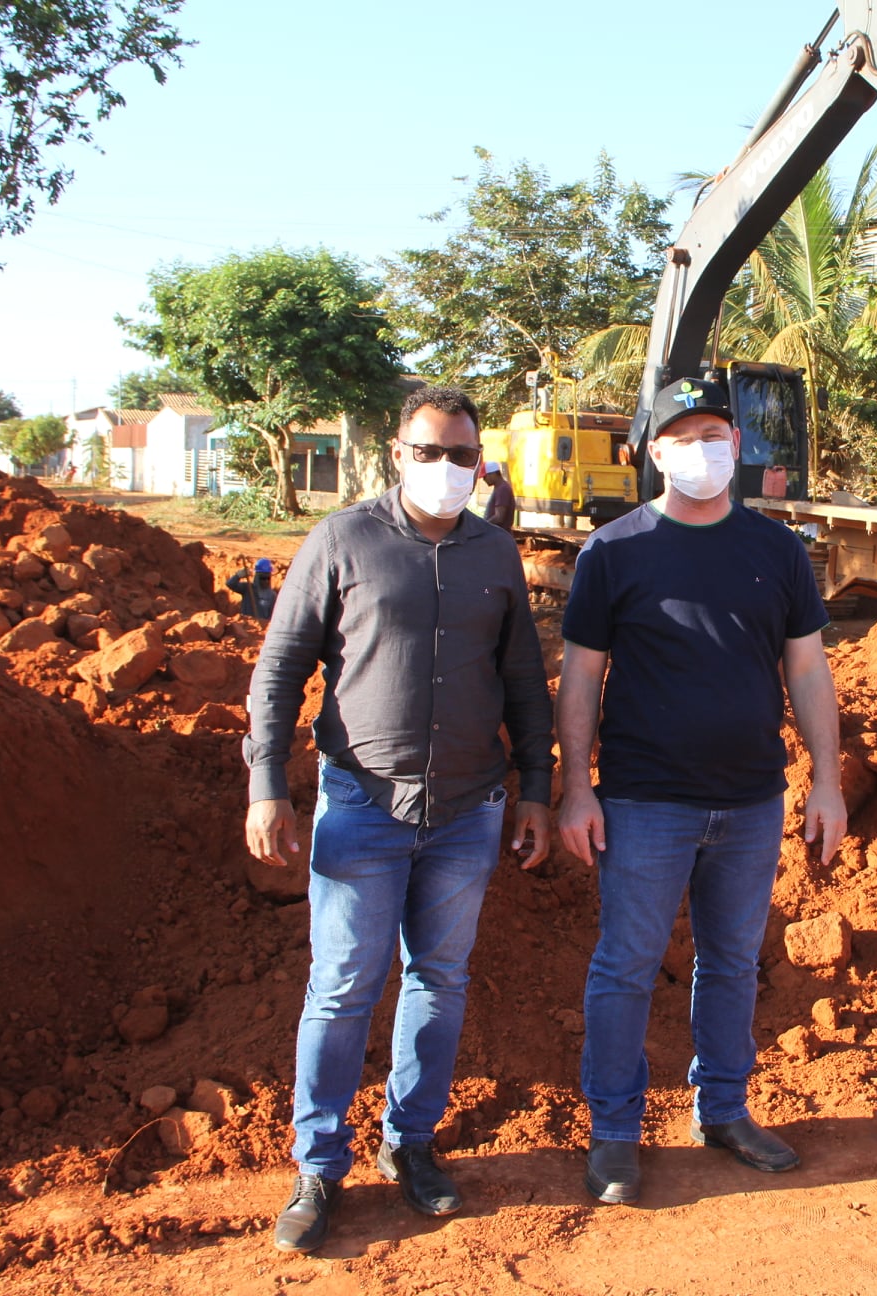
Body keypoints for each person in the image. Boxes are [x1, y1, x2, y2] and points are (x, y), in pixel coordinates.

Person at [243, 385, 555, 1253]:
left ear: (481, 461)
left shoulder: (496, 554)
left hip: (468, 810)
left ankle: (411, 1145)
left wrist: (538, 787)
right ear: (397, 453)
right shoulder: (341, 540)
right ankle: (317, 1165)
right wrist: (268, 783)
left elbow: (525, 682)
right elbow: (278, 674)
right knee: (342, 987)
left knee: (440, 980)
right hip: (362, 805)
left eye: (464, 456)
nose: (449, 469)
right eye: (431, 453)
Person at [556, 377, 847, 1205]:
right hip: (645, 802)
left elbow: (807, 670)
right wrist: (577, 787)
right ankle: (613, 1132)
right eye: (684, 437)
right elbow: (580, 677)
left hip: (752, 800)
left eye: (715, 432)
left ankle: (722, 1108)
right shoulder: (613, 551)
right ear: (654, 451)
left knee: (731, 963)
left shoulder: (777, 551)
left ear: (738, 443)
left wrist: (826, 780)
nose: (704, 450)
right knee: (627, 965)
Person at [226, 557, 278, 622]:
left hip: (261, 629)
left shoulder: (272, 596)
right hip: (246, 626)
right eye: (263, 578)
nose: (266, 581)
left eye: (268, 578)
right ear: (257, 577)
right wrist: (238, 576)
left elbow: (273, 617)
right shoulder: (248, 589)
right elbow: (230, 584)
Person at [482, 460, 517, 530]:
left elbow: (499, 517)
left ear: (493, 474)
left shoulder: (502, 489)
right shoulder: (499, 488)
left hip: (500, 535)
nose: (484, 480)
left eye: (484, 477)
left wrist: (483, 526)